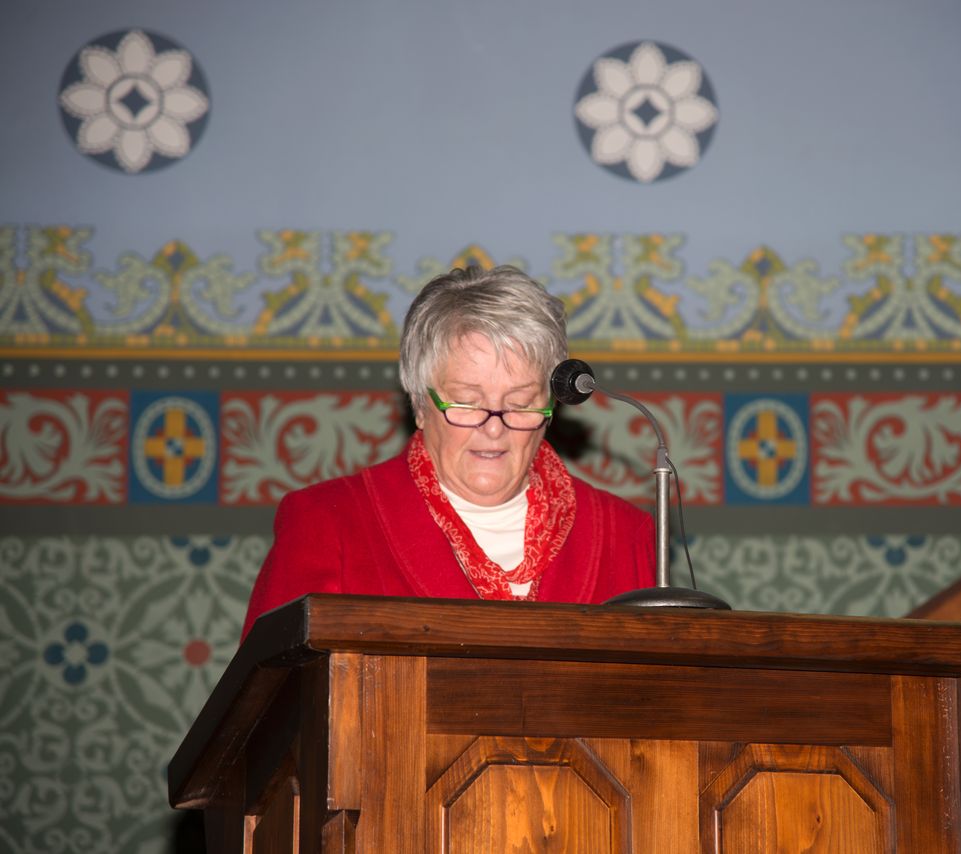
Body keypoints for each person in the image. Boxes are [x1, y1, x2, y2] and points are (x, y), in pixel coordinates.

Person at [241, 265, 656, 639]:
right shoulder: (327, 523)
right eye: (467, 402)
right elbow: (275, 697)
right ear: (420, 405)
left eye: (520, 403)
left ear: (550, 408)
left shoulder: (624, 535)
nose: (493, 427)